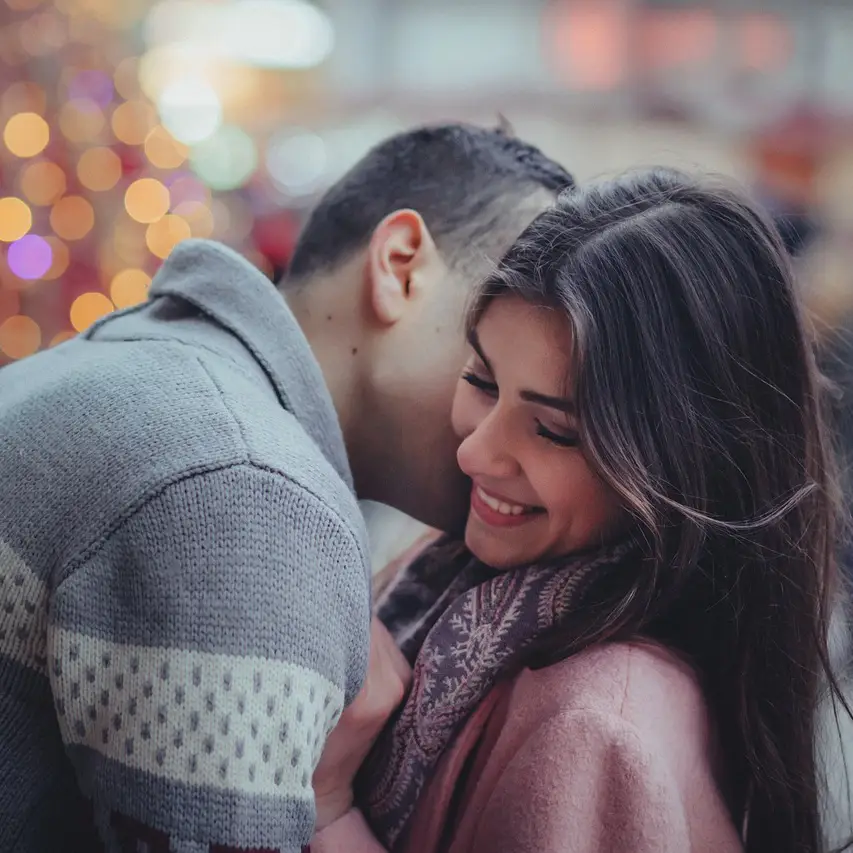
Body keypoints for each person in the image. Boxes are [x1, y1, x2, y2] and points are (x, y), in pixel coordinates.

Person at [0, 123, 573, 852]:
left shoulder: (152, 368)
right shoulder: (243, 486)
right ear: (400, 266)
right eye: (492, 356)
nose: (506, 437)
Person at [308, 168, 853, 853]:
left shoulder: (596, 723)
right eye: (481, 381)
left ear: (683, 459)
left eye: (553, 430)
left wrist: (329, 806)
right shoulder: (464, 575)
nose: (476, 451)